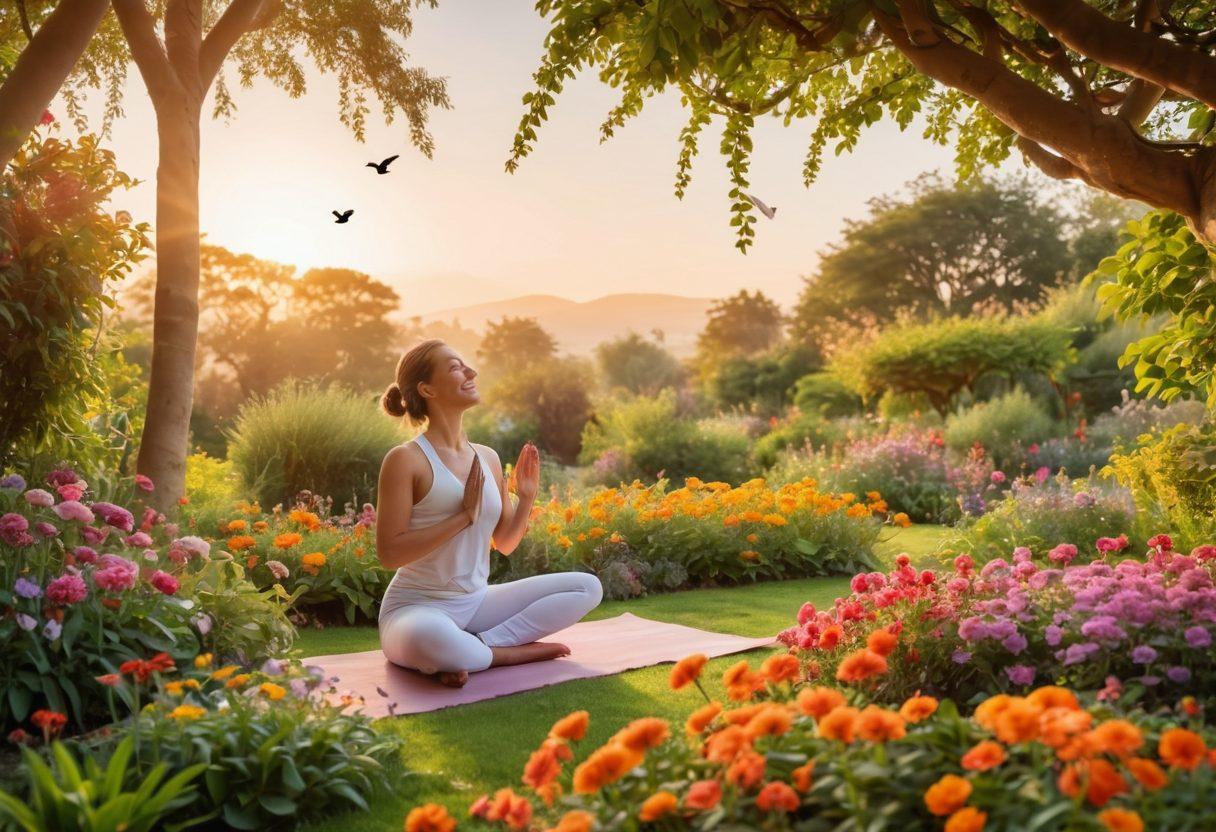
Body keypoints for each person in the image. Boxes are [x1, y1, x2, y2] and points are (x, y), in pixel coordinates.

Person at [375, 339, 603, 688]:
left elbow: (505, 542)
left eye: (466, 364)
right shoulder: (405, 460)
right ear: (427, 389)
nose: (470, 372)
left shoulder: (488, 457)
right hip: (417, 607)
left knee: (587, 587)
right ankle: (508, 653)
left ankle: (478, 648)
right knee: (430, 638)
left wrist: (526, 497)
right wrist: (462, 517)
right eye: (454, 367)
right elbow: (390, 553)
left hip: (477, 602)